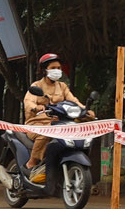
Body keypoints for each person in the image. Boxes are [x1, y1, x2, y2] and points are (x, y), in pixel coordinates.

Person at [23, 53, 81, 185]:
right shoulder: (36, 86)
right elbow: (28, 102)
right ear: (44, 70)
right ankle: (32, 162)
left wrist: (85, 110)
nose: (58, 71)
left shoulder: (62, 87)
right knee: (48, 131)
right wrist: (36, 107)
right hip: (36, 124)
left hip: (58, 123)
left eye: (59, 68)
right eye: (54, 67)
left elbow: (73, 100)